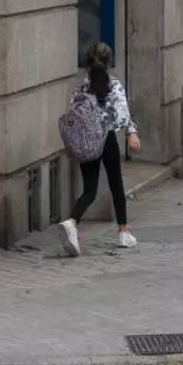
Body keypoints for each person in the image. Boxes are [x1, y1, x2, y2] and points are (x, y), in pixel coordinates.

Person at [58, 42, 141, 256]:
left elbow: (73, 111)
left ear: (87, 64)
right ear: (109, 62)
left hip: (86, 140)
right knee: (116, 184)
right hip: (106, 137)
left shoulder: (81, 87)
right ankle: (123, 232)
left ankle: (72, 222)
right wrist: (131, 132)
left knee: (90, 189)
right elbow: (122, 114)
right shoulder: (113, 85)